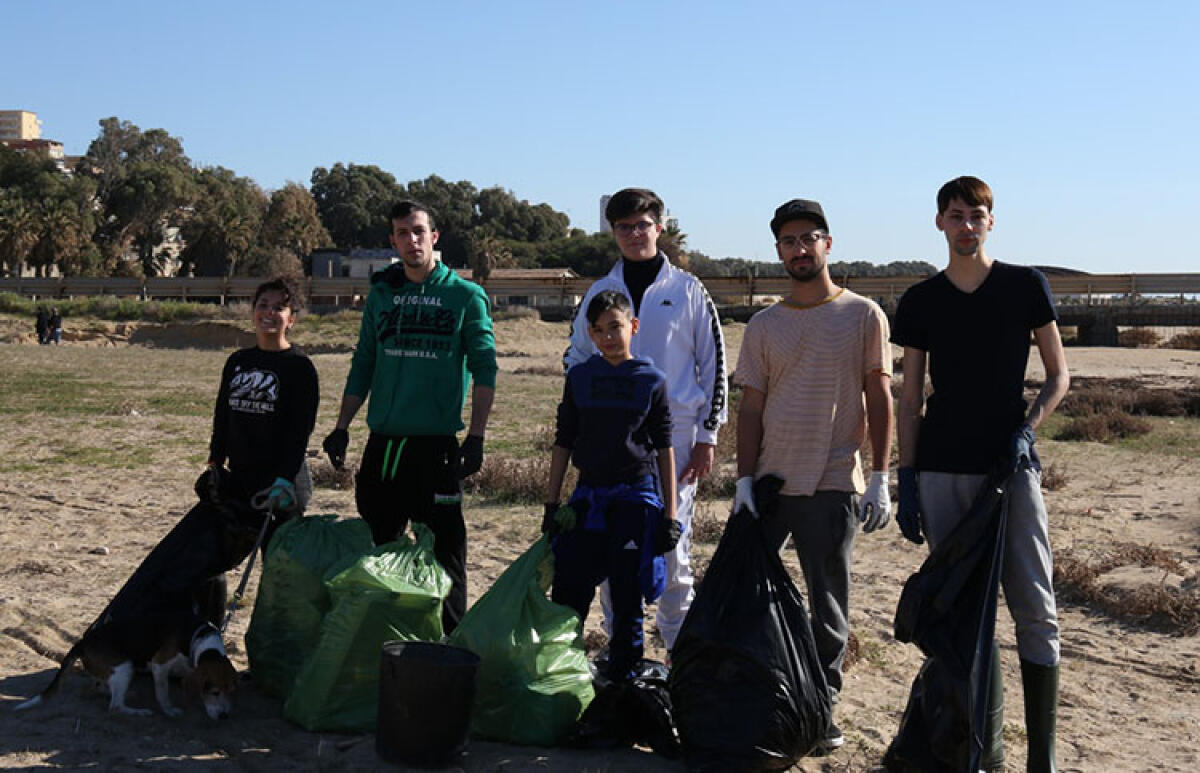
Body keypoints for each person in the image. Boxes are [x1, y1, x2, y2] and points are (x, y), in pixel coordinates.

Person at [892, 176, 1069, 772]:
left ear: (992, 221)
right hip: (943, 468)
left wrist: (1030, 427)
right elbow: (909, 392)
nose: (966, 225)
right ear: (939, 222)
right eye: (956, 215)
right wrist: (907, 475)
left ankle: (1039, 759)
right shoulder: (920, 301)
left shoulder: (1025, 287)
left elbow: (1057, 374)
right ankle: (982, 751)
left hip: (1010, 468)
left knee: (1034, 604)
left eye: (976, 215)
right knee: (964, 614)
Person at [733, 198, 894, 754]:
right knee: (749, 596)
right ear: (778, 251)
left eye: (809, 238)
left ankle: (821, 710)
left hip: (831, 485)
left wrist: (879, 477)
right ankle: (761, 700)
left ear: (829, 243)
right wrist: (743, 481)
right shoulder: (764, 325)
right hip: (772, 485)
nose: (799, 250)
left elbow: (879, 396)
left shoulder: (863, 315)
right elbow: (750, 407)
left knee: (828, 609)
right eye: (788, 242)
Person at [564, 187, 727, 657]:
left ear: (660, 226)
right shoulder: (598, 293)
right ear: (613, 232)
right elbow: (574, 359)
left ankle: (681, 658)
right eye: (624, 227)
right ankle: (622, 657)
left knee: (670, 550)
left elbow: (713, 365)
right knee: (617, 552)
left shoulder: (689, 290)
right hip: (613, 444)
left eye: (642, 225)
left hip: (674, 438)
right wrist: (585, 422)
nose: (635, 234)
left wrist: (707, 436)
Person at [321, 200, 497, 635]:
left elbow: (485, 368)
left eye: (419, 231)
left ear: (434, 236)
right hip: (383, 446)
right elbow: (363, 362)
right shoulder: (382, 295)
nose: (412, 240)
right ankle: (387, 640)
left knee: (447, 555)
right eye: (403, 233)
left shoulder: (465, 296)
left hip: (435, 449)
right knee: (381, 549)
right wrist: (342, 427)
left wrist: (475, 437)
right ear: (393, 241)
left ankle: (453, 647)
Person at [546, 290, 679, 682]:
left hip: (635, 498)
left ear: (633, 327)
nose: (607, 336)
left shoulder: (652, 380)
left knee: (626, 594)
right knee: (569, 589)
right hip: (588, 497)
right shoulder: (581, 377)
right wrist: (552, 503)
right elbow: (563, 440)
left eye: (615, 327)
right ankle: (564, 670)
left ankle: (625, 677)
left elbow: (665, 448)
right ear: (590, 332)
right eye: (599, 330)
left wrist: (669, 515)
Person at [198, 276, 320, 621]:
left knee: (278, 572)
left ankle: (272, 645)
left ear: (291, 318)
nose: (269, 313)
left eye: (278, 307)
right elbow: (223, 412)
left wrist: (283, 479)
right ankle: (206, 635)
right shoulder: (238, 361)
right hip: (240, 480)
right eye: (262, 306)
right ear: (253, 313)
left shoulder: (299, 368)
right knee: (209, 559)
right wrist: (215, 460)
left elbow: (300, 432)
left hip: (282, 487)